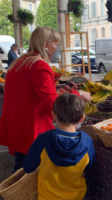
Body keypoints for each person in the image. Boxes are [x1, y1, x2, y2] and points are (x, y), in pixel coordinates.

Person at [0, 27, 60, 172]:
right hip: (34, 128)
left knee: (21, 169)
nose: (57, 48)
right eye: (55, 44)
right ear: (46, 45)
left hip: (18, 125)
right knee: (31, 173)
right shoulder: (39, 65)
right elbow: (51, 103)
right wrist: (77, 96)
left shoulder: (20, 62)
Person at [22, 93, 96, 200]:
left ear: (54, 115)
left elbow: (28, 167)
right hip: (76, 197)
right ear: (82, 118)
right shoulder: (87, 141)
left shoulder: (43, 139)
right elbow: (90, 168)